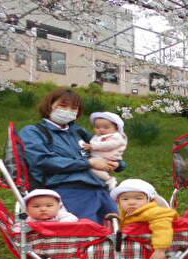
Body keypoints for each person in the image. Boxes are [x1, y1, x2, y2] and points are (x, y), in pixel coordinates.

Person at [20, 88, 125, 223]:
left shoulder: (79, 132)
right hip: (68, 189)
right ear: (49, 106)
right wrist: (88, 163)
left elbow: (109, 149)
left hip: (100, 188)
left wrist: (118, 164)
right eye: (63, 106)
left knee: (113, 234)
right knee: (84, 233)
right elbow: (42, 161)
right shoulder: (34, 132)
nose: (68, 111)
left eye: (74, 108)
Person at [110, 179, 178, 259]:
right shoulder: (125, 213)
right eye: (125, 199)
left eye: (138, 198)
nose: (131, 202)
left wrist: (160, 250)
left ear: (148, 200)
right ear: (119, 201)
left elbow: (162, 229)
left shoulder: (154, 212)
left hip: (152, 249)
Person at [81, 112, 127, 190]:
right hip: (99, 158)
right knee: (91, 169)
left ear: (116, 128)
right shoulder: (98, 136)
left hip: (109, 158)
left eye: (106, 127)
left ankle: (109, 180)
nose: (101, 130)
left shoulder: (116, 136)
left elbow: (109, 145)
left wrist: (93, 146)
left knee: (91, 169)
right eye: (97, 127)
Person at [12, 189, 78, 232]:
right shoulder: (28, 217)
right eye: (36, 206)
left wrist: (61, 224)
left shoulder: (60, 215)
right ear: (27, 209)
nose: (43, 209)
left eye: (49, 206)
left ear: (59, 207)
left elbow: (73, 218)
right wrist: (28, 228)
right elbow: (17, 227)